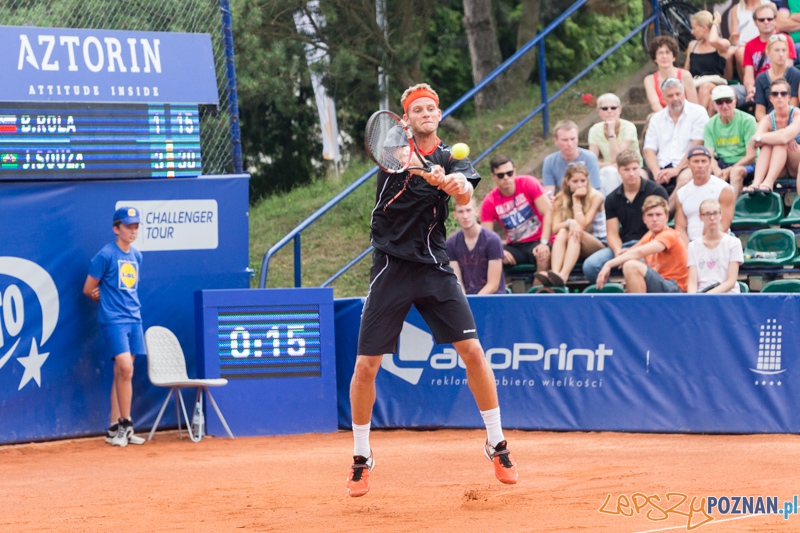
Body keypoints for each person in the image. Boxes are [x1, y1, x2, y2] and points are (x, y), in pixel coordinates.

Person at [348, 83, 518, 498]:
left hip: (434, 266)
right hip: (390, 265)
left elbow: (466, 191)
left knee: (473, 352)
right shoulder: (393, 152)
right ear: (406, 119)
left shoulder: (450, 159)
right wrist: (423, 171)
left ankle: (496, 444)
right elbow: (399, 170)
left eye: (431, 108)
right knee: (366, 366)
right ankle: (361, 455)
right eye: (417, 109)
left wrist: (449, 182)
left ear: (439, 116)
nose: (426, 113)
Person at [82, 207, 146, 448]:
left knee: (122, 373)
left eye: (135, 227)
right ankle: (126, 423)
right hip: (113, 321)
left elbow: (130, 290)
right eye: (128, 227)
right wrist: (103, 299)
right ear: (115, 229)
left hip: (134, 319)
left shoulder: (137, 256)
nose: (132, 231)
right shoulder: (105, 255)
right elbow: (88, 288)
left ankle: (113, 428)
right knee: (126, 368)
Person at [582, 150, 669, 284]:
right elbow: (612, 233)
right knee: (590, 265)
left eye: (635, 168)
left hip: (650, 244)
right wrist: (618, 252)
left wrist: (632, 253)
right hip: (624, 244)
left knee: (635, 264)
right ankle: (614, 294)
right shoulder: (612, 198)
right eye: (626, 169)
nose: (631, 173)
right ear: (619, 170)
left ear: (640, 168)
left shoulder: (656, 191)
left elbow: (662, 228)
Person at [596, 195, 688, 293]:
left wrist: (609, 264)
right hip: (660, 283)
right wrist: (634, 280)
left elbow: (639, 252)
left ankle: (638, 307)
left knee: (631, 265)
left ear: (666, 217)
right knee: (630, 267)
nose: (654, 219)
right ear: (644, 219)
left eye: (658, 214)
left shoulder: (669, 234)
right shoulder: (649, 235)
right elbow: (631, 251)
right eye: (650, 215)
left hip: (675, 289)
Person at [534, 163, 606, 287]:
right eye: (575, 181)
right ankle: (556, 273)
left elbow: (582, 224)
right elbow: (555, 229)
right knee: (563, 231)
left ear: (588, 180)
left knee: (575, 232)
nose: (580, 185)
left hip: (597, 244)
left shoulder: (596, 196)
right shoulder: (560, 197)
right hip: (574, 246)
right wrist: (569, 222)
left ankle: (564, 275)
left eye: (583, 181)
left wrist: (576, 200)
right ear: (567, 181)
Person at [642, 77, 709, 206]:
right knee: (638, 175)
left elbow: (697, 144)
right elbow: (648, 150)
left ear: (684, 94)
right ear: (664, 98)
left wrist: (677, 169)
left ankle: (666, 211)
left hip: (686, 165)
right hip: (660, 166)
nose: (675, 98)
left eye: (678, 94)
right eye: (670, 96)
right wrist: (656, 172)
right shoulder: (656, 118)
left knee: (686, 177)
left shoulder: (698, 112)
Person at [481, 154, 552, 271]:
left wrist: (544, 242)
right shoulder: (489, 201)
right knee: (492, 259)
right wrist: (498, 251)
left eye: (509, 173)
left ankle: (536, 289)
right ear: (493, 176)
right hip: (516, 245)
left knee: (543, 256)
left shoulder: (528, 183)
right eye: (500, 175)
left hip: (539, 238)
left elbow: (548, 212)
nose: (506, 178)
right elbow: (486, 236)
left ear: (514, 171)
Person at [746, 76, 800, 193]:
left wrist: (764, 137)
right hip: (779, 167)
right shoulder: (768, 119)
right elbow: (756, 142)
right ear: (770, 98)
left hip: (796, 163)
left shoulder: (797, 114)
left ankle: (768, 182)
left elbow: (784, 138)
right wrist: (774, 137)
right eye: (775, 94)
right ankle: (756, 183)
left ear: (789, 97)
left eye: (783, 93)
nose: (779, 97)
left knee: (781, 144)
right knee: (768, 146)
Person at [674, 145, 735, 247]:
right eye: (696, 161)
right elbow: (680, 228)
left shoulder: (724, 189)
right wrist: (688, 250)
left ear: (710, 163)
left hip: (718, 243)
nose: (700, 165)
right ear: (688, 164)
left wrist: (706, 245)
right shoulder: (681, 193)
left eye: (704, 161)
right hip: (691, 244)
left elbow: (724, 224)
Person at [704, 85, 758, 197]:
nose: (724, 106)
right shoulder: (709, 125)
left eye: (728, 101)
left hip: (747, 163)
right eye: (719, 102)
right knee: (703, 170)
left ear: (735, 102)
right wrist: (717, 170)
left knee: (735, 172)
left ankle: (732, 211)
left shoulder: (748, 120)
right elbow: (709, 156)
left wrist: (729, 169)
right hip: (722, 162)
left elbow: (751, 156)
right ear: (714, 105)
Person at [587, 93, 643, 197]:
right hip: (609, 168)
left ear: (619, 110)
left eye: (613, 107)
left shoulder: (629, 127)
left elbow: (617, 158)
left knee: (609, 173)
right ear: (599, 112)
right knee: (605, 173)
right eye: (604, 108)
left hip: (631, 167)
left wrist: (611, 132)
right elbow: (592, 159)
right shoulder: (594, 129)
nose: (609, 111)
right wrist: (607, 165)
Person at [447, 198, 506, 294]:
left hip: (493, 299)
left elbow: (493, 284)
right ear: (455, 215)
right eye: (460, 212)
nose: (465, 216)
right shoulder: (451, 244)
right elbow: (457, 282)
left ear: (476, 211)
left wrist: (474, 303)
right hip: (466, 299)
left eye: (468, 210)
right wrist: (465, 303)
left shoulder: (492, 240)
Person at [687, 199, 745, 293]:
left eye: (715, 213)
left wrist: (707, 295)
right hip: (702, 294)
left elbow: (731, 281)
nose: (712, 217)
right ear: (700, 217)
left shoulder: (734, 243)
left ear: (720, 215)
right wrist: (693, 299)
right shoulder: (693, 246)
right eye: (707, 214)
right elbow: (692, 282)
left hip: (727, 296)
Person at [743, 3, 797, 103]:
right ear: (755, 22)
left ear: (775, 20)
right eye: (761, 19)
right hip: (758, 85)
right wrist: (751, 89)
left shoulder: (786, 39)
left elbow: (787, 71)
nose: (766, 22)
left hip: (780, 87)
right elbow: (749, 75)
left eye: (770, 19)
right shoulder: (749, 45)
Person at [685, 11, 734, 115]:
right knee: (705, 96)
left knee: (705, 87)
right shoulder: (692, 45)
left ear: (704, 28)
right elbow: (686, 71)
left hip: (714, 83)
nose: (692, 32)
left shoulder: (722, 44)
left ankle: (698, 119)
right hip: (696, 82)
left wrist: (716, 22)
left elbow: (712, 40)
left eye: (694, 28)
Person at [541, 120, 602, 195]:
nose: (570, 144)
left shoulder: (589, 157)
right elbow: (549, 191)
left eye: (573, 139)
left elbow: (595, 189)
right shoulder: (549, 161)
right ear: (556, 141)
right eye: (565, 140)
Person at [643, 35, 699, 113]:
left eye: (668, 52)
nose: (664, 56)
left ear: (674, 57)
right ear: (655, 58)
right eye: (660, 53)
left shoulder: (685, 75)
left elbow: (694, 104)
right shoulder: (649, 80)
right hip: (662, 116)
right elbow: (655, 105)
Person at [754, 33, 800, 120]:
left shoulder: (796, 74)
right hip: (768, 121)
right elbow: (760, 110)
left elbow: (793, 105)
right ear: (768, 52)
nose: (781, 54)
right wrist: (767, 124)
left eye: (784, 50)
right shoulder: (761, 78)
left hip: (790, 121)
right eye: (777, 50)